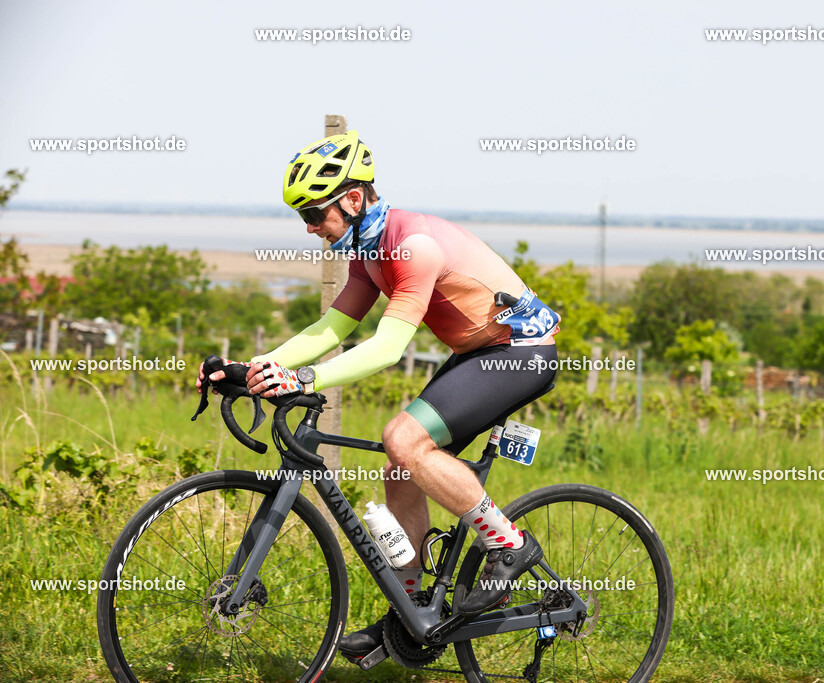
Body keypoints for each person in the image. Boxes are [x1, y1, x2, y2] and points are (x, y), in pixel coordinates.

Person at [197, 130, 560, 659]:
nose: (309, 228)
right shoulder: (368, 252)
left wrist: (305, 380)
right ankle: (412, 615)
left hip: (520, 353)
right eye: (302, 217)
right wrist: (254, 367)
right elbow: (331, 328)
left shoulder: (413, 245)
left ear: (352, 199)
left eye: (314, 214)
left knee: (403, 439)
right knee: (399, 469)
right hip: (478, 352)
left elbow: (389, 347)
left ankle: (508, 544)